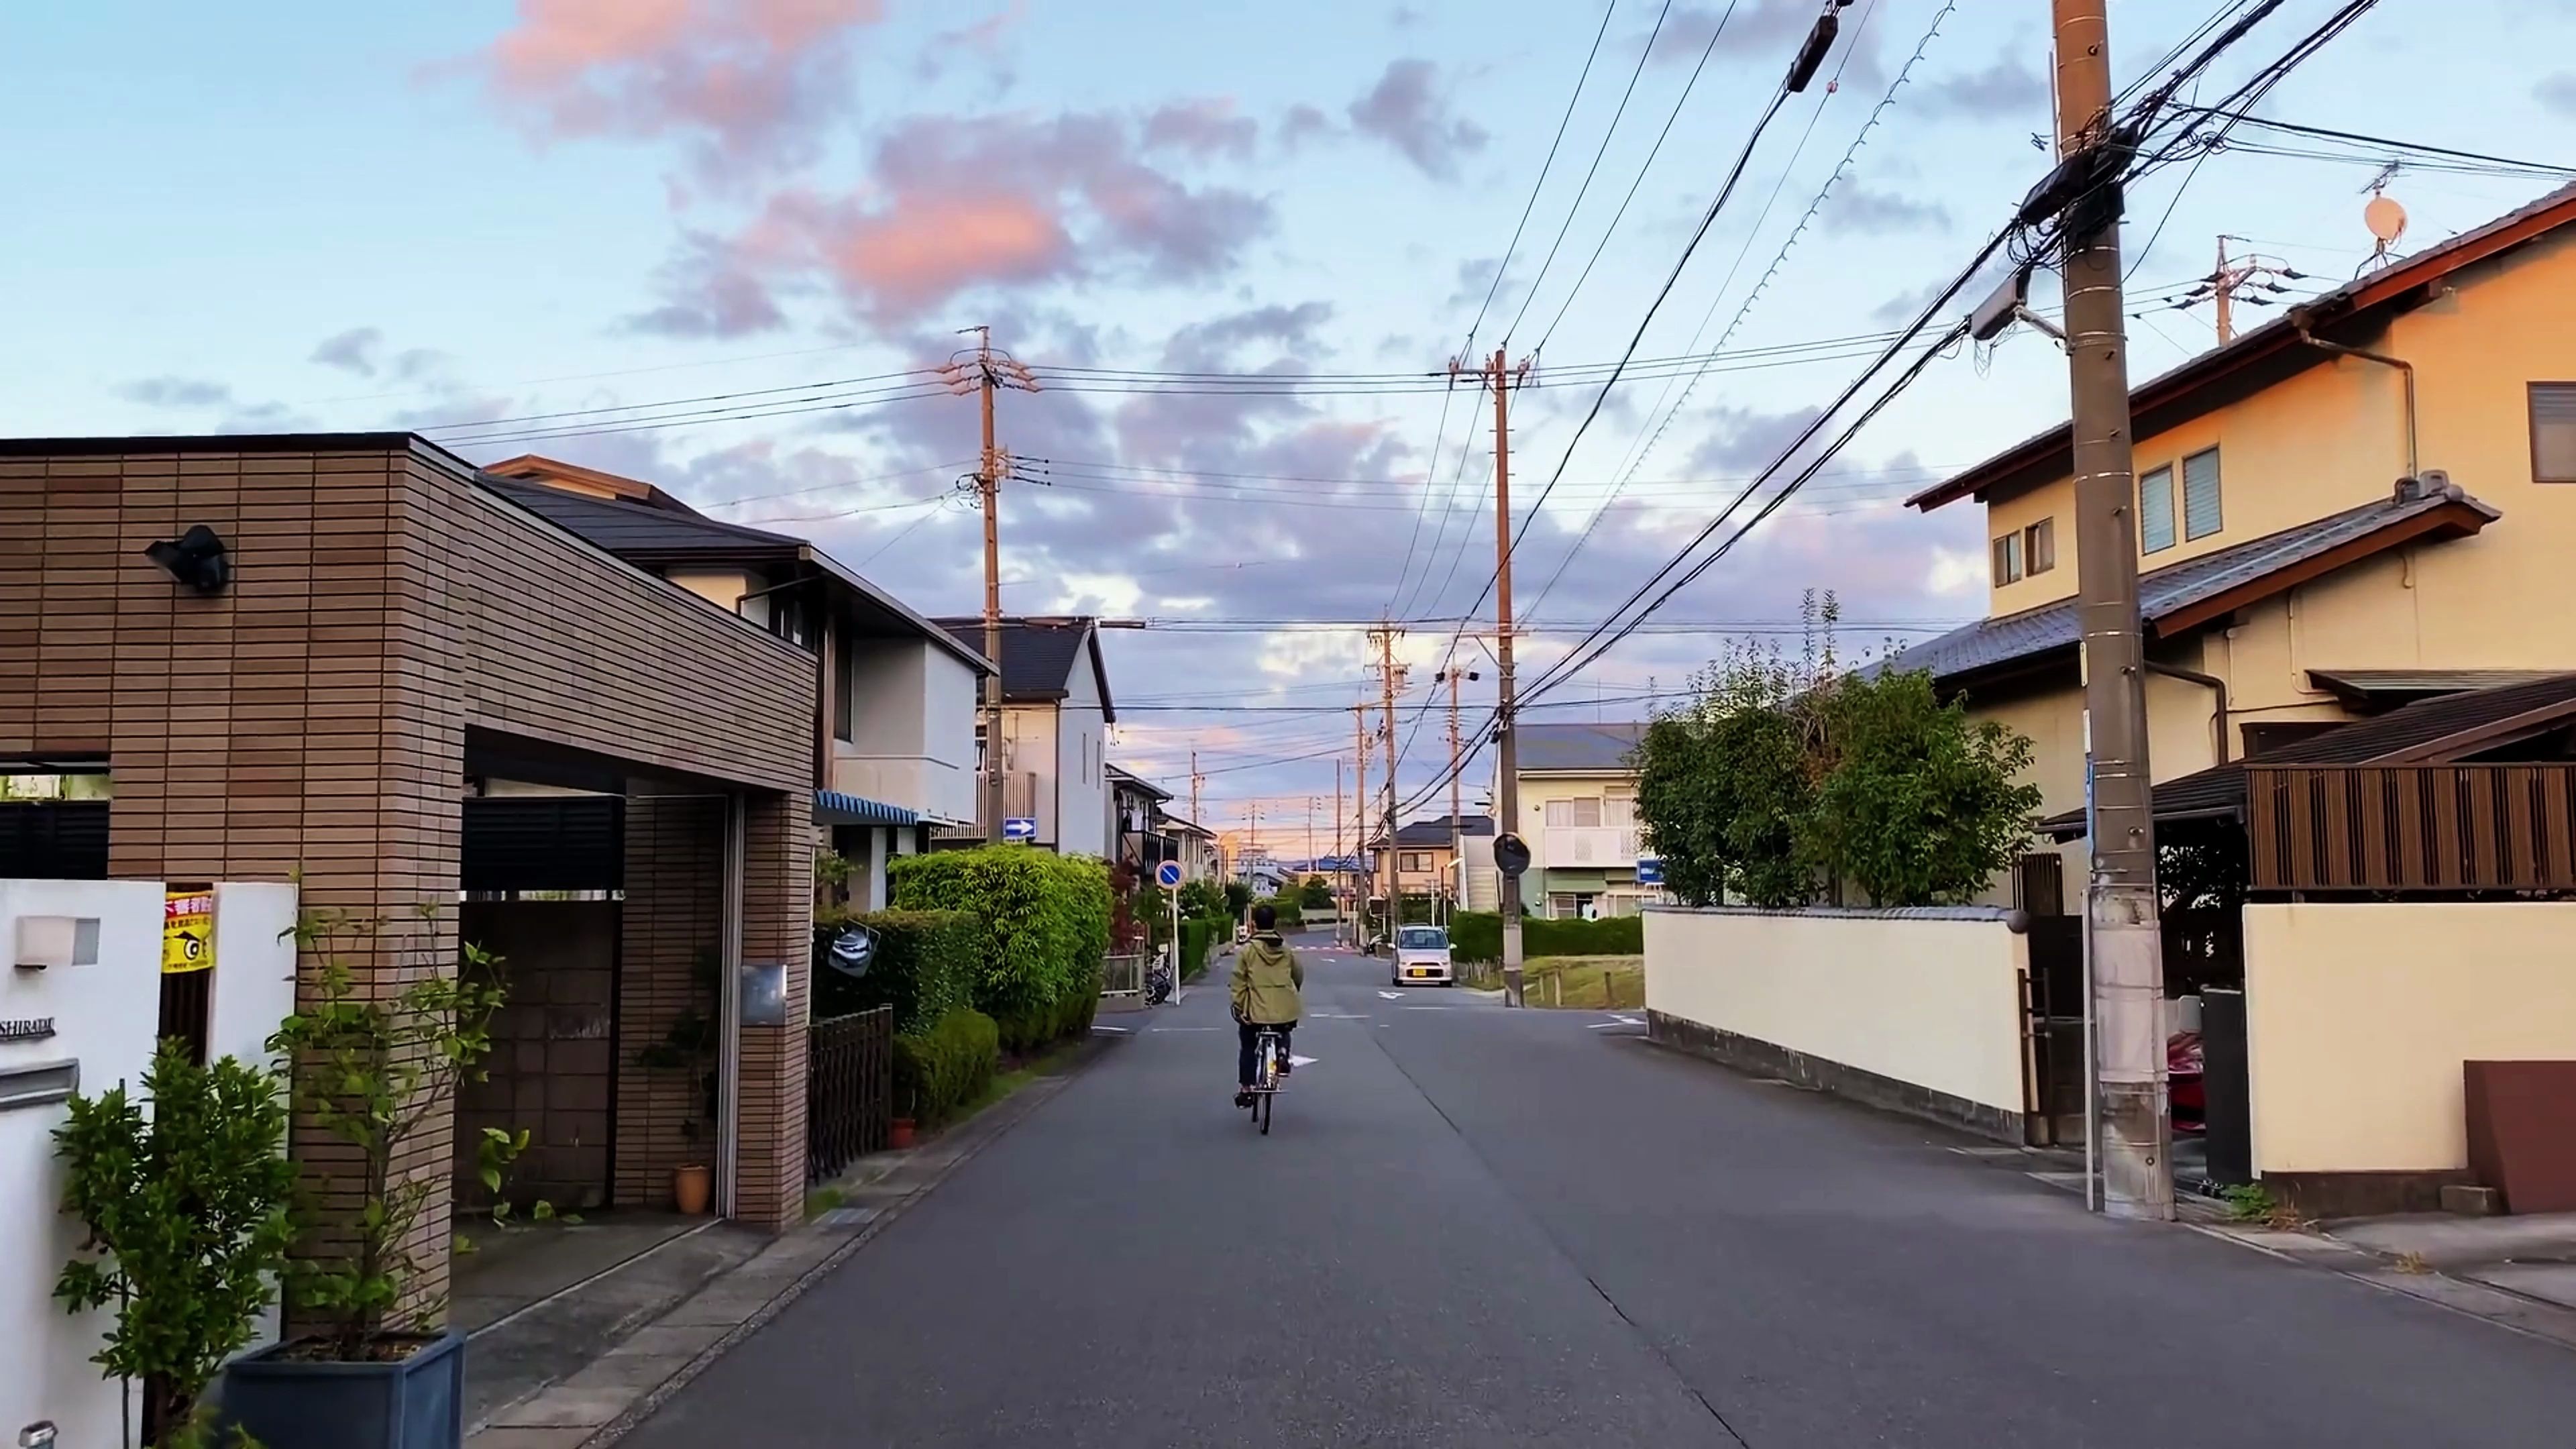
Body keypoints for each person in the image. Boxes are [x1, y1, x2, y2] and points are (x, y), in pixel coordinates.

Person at [1230, 902, 1303, 1108]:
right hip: (1284, 1007)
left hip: (1255, 1011)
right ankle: (1281, 1054)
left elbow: (1238, 981)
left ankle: (1247, 1089)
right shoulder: (1286, 950)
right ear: (1275, 923)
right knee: (1283, 1029)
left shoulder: (1248, 952)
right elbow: (1298, 974)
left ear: (1254, 925)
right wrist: (1293, 990)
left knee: (1248, 1044)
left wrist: (1239, 1006)